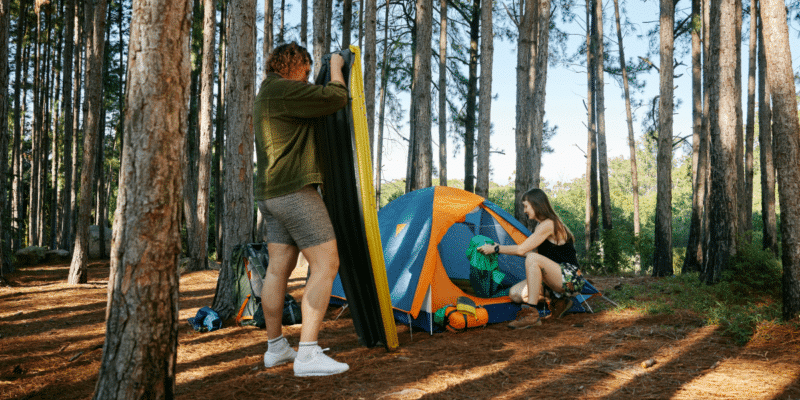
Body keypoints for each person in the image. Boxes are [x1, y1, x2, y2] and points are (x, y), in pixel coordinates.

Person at [253, 42, 350, 377]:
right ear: (292, 65)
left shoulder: (267, 93)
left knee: (279, 268)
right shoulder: (284, 90)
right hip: (294, 191)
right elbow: (336, 98)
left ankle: (276, 348)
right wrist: (336, 66)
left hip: (270, 195)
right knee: (326, 262)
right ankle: (307, 354)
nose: (308, 80)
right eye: (306, 72)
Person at [477, 188, 584, 329]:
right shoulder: (541, 226)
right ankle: (559, 301)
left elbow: (524, 250)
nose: (525, 210)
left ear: (536, 205)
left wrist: (497, 248)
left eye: (526, 206)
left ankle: (532, 314)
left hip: (571, 279)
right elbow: (525, 253)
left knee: (533, 258)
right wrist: (498, 250)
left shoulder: (549, 224)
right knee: (515, 294)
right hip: (554, 279)